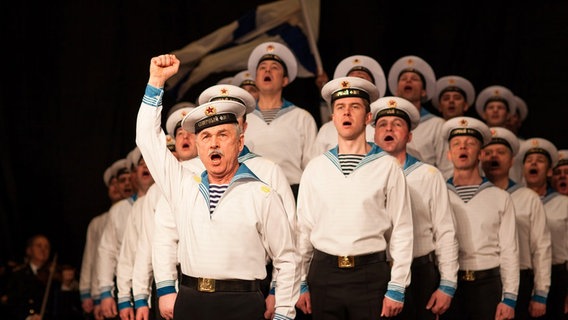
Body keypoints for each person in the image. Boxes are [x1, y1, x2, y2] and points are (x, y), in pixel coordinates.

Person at [136, 53, 299, 320]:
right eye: (206, 137)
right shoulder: (182, 184)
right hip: (191, 302)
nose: (213, 143)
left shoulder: (261, 193)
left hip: (243, 304)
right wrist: (156, 81)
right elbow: (146, 139)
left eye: (223, 135)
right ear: (197, 145)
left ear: (240, 141)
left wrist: (283, 314)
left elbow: (286, 258)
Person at [296, 76, 413, 319]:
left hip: (370, 274)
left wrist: (398, 286)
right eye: (340, 107)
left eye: (355, 107)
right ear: (333, 117)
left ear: (368, 118)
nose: (346, 112)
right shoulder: (316, 167)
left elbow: (402, 229)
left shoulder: (387, 166)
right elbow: (303, 231)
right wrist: (300, 281)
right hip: (324, 273)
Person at [371, 96, 459, 319]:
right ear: (373, 134)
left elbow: (445, 232)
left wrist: (447, 284)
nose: (389, 128)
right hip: (374, 271)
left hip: (419, 273)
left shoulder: (429, 175)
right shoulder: (364, 174)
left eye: (397, 124)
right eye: (382, 124)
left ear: (409, 136)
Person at [441, 117, 519, 320]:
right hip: (449, 285)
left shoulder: (500, 197)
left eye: (470, 143)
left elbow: (510, 250)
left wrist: (509, 297)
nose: (462, 148)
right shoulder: (439, 194)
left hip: (488, 285)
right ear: (449, 154)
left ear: (481, 153)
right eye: (456, 144)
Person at [481, 127, 551, 319]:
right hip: (485, 280)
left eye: (501, 152)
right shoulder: (475, 196)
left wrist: (541, 293)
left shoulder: (528, 197)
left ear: (512, 161)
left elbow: (541, 248)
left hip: (521, 279)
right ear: (480, 157)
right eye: (489, 152)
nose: (494, 157)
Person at [244, 41, 318, 198]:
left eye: (274, 68)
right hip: (252, 193)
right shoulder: (243, 120)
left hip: (292, 192)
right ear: (256, 78)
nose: (267, 71)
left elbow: (312, 167)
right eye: (262, 68)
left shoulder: (302, 117)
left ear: (285, 80)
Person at [98, 147, 154, 319]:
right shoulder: (121, 210)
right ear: (134, 174)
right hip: (133, 286)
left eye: (148, 163)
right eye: (140, 164)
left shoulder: (165, 199)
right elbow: (109, 253)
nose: (145, 168)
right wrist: (106, 292)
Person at [520, 138, 568, 319]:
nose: (533, 164)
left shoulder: (563, 203)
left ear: (548, 171)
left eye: (539, 161)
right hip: (524, 276)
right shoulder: (513, 200)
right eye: (529, 161)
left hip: (557, 277)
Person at [387, 55, 453, 179]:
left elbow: (447, 168)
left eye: (414, 79)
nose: (408, 81)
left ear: (423, 91)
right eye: (404, 78)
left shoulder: (437, 124)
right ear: (396, 90)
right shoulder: (384, 123)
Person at [79, 159, 127, 320]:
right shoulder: (98, 222)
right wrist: (89, 292)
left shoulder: (134, 210)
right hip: (103, 285)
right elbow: (92, 259)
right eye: (111, 184)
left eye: (117, 183)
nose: (115, 188)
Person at [314, 54, 386, 155]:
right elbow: (316, 164)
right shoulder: (326, 129)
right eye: (351, 78)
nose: (354, 82)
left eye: (361, 78)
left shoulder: (384, 127)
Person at [3, 234, 58, 320]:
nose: (43, 249)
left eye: (47, 247)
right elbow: (11, 305)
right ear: (29, 250)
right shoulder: (17, 275)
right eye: (39, 246)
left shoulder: (54, 276)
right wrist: (28, 317)